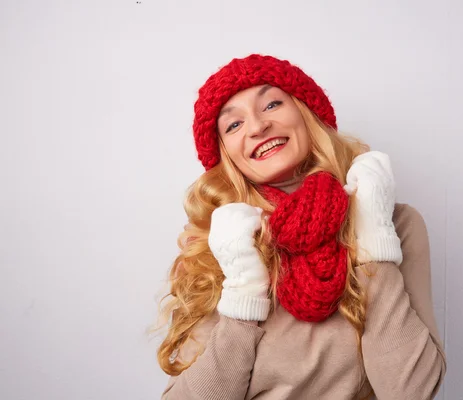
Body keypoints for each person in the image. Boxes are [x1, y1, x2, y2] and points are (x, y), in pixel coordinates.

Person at [157, 54, 447, 399]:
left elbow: (412, 392)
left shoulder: (396, 223)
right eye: (233, 125)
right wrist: (242, 292)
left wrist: (374, 239)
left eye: (272, 104)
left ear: (307, 113)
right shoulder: (213, 245)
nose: (256, 127)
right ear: (226, 156)